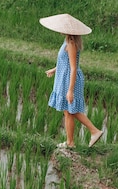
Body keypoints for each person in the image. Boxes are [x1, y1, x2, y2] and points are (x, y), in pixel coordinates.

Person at [40, 13, 104, 149]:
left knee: (72, 110)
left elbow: (73, 67)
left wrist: (70, 90)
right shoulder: (66, 41)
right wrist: (54, 69)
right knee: (67, 111)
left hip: (70, 80)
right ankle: (70, 142)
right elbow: (65, 63)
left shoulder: (71, 44)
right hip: (64, 77)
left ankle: (94, 131)